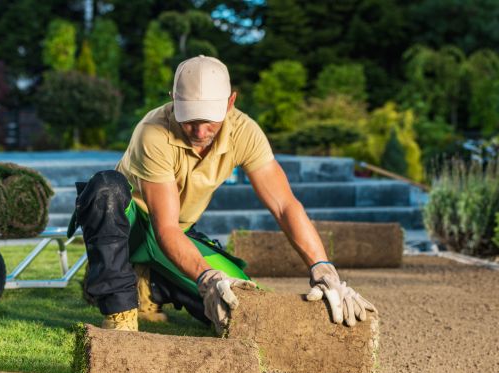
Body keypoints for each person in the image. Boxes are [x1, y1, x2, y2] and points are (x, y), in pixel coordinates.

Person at [68, 55, 375, 332]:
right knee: (106, 187)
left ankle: (147, 283)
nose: (200, 132)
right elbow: (164, 228)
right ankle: (118, 302)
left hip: (177, 234)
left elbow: (284, 205)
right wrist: (207, 277)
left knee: (239, 303)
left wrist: (323, 268)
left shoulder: (245, 132)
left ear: (230, 103)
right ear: (173, 99)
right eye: (190, 120)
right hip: (130, 227)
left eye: (209, 121)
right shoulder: (153, 133)